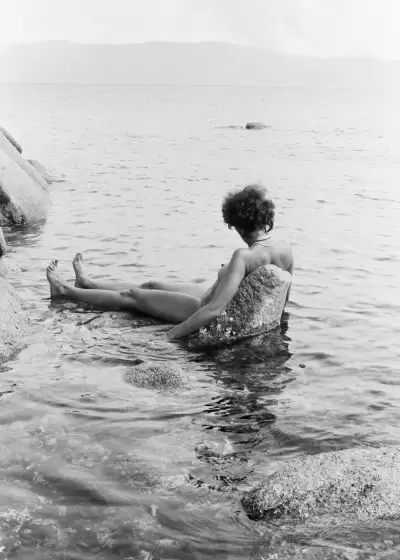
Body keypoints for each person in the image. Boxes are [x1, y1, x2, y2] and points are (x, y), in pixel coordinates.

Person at [46, 184, 294, 340]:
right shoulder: (284, 249)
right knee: (152, 284)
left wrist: (171, 335)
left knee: (132, 296)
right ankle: (87, 282)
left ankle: (65, 290)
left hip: (201, 305)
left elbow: (214, 310)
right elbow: (284, 299)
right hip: (210, 292)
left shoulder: (244, 256)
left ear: (237, 224)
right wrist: (276, 326)